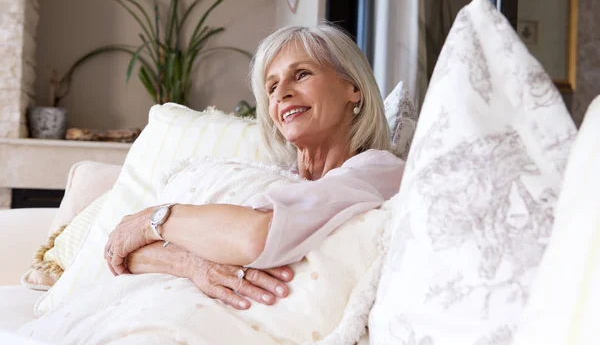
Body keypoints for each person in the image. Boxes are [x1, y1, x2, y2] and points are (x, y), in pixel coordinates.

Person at [104, 25, 405, 310]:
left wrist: (151, 221)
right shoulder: (266, 178)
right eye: (271, 86)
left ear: (353, 87)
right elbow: (127, 253)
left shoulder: (378, 169)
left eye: (301, 74)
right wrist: (193, 264)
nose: (281, 93)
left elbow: (256, 236)